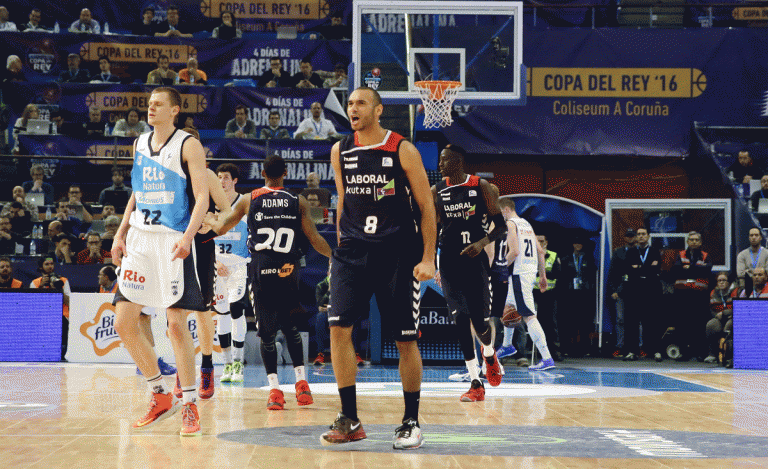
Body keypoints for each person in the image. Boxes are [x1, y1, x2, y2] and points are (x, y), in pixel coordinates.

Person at [320, 86, 436, 449]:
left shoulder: (403, 149)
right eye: (350, 103)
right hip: (352, 252)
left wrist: (428, 257)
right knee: (338, 329)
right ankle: (350, 418)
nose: (353, 108)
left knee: (405, 339)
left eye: (361, 103)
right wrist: (340, 247)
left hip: (397, 253)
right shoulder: (340, 150)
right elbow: (343, 201)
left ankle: (411, 420)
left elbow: (427, 207)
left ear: (378, 110)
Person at [111, 87, 210, 436]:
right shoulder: (139, 143)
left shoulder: (188, 145)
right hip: (140, 239)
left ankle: (190, 405)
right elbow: (137, 192)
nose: (150, 108)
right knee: (124, 322)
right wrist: (120, 232)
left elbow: (202, 197)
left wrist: (188, 237)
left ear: (175, 110)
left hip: (172, 240)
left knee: (176, 326)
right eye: (149, 104)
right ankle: (160, 394)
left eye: (158, 104)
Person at [209, 155, 332, 410]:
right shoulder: (297, 201)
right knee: (290, 328)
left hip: (261, 269)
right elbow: (314, 237)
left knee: (267, 334)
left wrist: (209, 221)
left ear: (263, 173)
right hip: (288, 269)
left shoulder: (249, 199)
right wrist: (336, 257)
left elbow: (221, 229)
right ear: (285, 172)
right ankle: (302, 385)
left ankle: (275, 391)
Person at [432, 144, 506, 402]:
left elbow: (501, 227)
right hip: (449, 262)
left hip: (475, 263)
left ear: (458, 161)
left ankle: (489, 354)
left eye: (444, 160)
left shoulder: (481, 187)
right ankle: (476, 382)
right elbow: (430, 227)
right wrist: (431, 260)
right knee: (460, 318)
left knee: (480, 323)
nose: (439, 164)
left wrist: (482, 243)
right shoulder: (436, 191)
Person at [500, 197, 557, 373]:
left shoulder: (510, 224)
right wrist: (542, 275)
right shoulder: (527, 224)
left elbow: (514, 252)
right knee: (508, 306)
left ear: (505, 210)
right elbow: (540, 251)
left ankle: (547, 358)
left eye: (500, 213)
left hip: (519, 274)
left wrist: (498, 268)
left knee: (529, 316)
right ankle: (507, 345)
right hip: (528, 272)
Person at [209, 163, 250, 384]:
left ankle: (238, 362)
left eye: (226, 177)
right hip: (218, 267)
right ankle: (226, 363)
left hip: (238, 266)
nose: (222, 181)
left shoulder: (244, 203)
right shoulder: (211, 205)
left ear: (234, 180)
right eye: (219, 177)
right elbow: (205, 240)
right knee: (222, 314)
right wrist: (215, 263)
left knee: (236, 310)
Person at [620, 227, 663, 362]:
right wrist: (647, 268)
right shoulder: (631, 252)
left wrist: (638, 268)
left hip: (651, 292)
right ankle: (632, 351)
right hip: (634, 292)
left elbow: (655, 269)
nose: (641, 236)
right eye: (638, 234)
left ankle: (654, 351)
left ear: (648, 236)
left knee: (652, 322)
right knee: (631, 322)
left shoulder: (655, 251)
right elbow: (628, 270)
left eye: (643, 234)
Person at [670, 231, 713, 361]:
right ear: (687, 242)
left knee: (699, 324)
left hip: (700, 297)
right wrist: (696, 269)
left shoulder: (705, 256)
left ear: (700, 242)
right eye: (691, 240)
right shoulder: (680, 255)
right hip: (683, 297)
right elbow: (676, 270)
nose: (694, 242)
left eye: (696, 240)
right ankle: (684, 352)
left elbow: (707, 270)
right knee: (683, 324)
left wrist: (689, 268)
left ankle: (700, 353)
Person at [559, 234, 597, 357]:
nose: (578, 245)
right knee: (569, 322)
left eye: (580, 243)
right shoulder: (566, 259)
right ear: (572, 245)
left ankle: (584, 348)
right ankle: (568, 348)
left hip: (584, 294)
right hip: (570, 295)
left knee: (584, 321)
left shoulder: (589, 259)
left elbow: (592, 276)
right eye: (576, 243)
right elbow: (562, 277)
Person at [31, 256, 71, 360]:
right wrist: (41, 288)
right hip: (42, 316)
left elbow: (70, 303)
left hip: (61, 316)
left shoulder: (63, 281)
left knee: (62, 321)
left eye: (52, 264)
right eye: (47, 264)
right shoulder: (35, 283)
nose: (50, 266)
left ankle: (63, 352)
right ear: (41, 267)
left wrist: (58, 290)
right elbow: (32, 305)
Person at [531, 233, 562, 362]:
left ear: (546, 242)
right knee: (534, 322)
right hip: (533, 293)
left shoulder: (553, 255)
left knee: (551, 323)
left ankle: (555, 352)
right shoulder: (530, 255)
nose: (540, 243)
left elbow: (557, 273)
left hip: (549, 294)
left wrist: (543, 272)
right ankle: (537, 352)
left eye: (542, 241)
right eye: (537, 240)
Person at [608, 228, 637, 357]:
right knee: (620, 319)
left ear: (635, 237)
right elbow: (612, 272)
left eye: (632, 236)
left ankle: (638, 346)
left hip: (635, 290)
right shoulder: (618, 251)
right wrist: (613, 290)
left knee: (636, 320)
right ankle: (620, 346)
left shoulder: (639, 251)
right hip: (620, 290)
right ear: (625, 237)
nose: (630, 238)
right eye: (628, 236)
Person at [704, 272, 737, 363]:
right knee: (711, 325)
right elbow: (711, 309)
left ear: (729, 282)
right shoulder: (713, 293)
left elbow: (737, 308)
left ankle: (728, 355)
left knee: (728, 325)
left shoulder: (736, 291)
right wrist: (717, 316)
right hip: (719, 318)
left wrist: (725, 313)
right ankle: (712, 354)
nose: (721, 282)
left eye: (724, 280)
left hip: (732, 317)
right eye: (719, 281)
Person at [736, 227, 768, 295]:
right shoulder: (742, 255)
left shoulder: (767, 253)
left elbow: (767, 273)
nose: (753, 237)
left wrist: (749, 271)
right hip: (747, 287)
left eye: (756, 235)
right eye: (751, 235)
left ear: (760, 237)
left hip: (765, 287)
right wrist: (760, 273)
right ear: (749, 238)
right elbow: (740, 273)